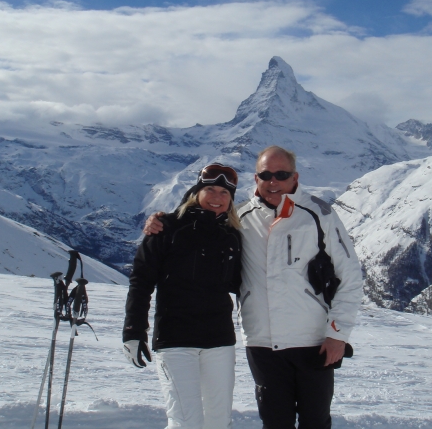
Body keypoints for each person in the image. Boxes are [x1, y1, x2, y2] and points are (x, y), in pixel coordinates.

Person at [144, 146, 363, 429]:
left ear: (295, 177)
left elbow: (350, 275)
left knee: (315, 422)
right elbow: (198, 221)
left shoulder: (319, 213)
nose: (273, 182)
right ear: (256, 178)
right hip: (262, 343)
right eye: (265, 175)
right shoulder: (240, 217)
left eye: (281, 175)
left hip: (313, 340)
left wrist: (338, 333)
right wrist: (160, 221)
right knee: (274, 423)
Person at [123, 163, 242, 429]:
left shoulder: (232, 234)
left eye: (224, 193)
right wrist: (133, 330)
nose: (216, 198)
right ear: (196, 191)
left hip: (219, 341)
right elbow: (141, 281)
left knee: (219, 422)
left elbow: (245, 282)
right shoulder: (167, 228)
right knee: (185, 422)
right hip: (175, 340)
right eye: (210, 189)